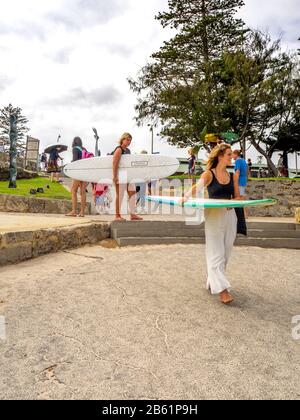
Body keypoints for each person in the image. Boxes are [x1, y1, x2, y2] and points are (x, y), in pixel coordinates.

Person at [180, 144, 241, 305]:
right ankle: (223, 291)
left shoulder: (232, 175)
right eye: (228, 154)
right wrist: (185, 197)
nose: (231, 157)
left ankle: (212, 281)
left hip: (230, 216)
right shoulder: (209, 174)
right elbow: (197, 187)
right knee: (216, 253)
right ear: (220, 156)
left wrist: (232, 202)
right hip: (214, 216)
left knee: (226, 253)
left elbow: (237, 197)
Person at [113, 133, 143, 221]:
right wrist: (115, 176)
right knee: (120, 195)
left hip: (127, 175)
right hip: (120, 175)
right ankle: (117, 216)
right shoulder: (119, 149)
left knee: (133, 193)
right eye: (127, 140)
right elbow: (115, 163)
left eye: (130, 140)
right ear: (122, 139)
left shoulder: (128, 150)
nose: (129, 142)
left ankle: (132, 214)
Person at [65, 137, 87, 217]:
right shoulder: (84, 149)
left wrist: (71, 163)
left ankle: (74, 211)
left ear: (74, 142)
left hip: (78, 171)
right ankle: (82, 212)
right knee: (83, 192)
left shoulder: (75, 149)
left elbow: (75, 160)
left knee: (73, 190)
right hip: (85, 172)